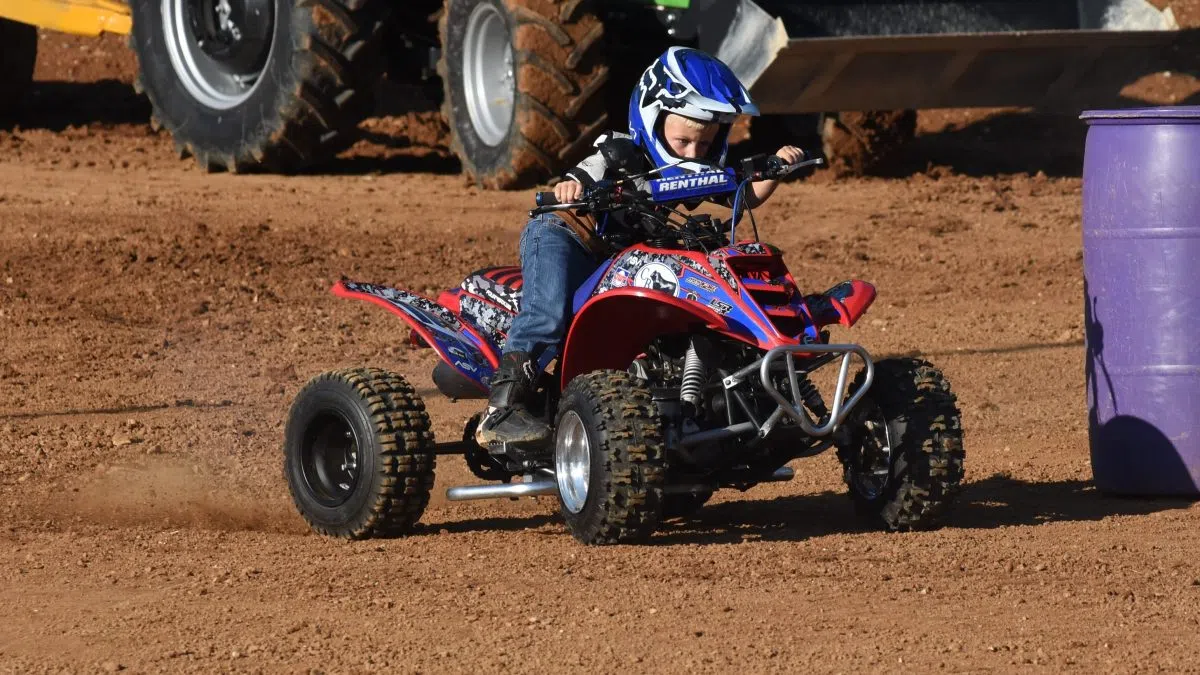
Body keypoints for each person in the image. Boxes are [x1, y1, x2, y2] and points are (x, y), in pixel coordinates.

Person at [476, 46, 804, 450]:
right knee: (549, 310)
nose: (692, 154)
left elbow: (743, 196)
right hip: (566, 234)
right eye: (683, 141)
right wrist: (572, 188)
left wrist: (776, 169)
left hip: (625, 251)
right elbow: (574, 183)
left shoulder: (691, 168)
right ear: (652, 118)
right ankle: (502, 411)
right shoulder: (617, 153)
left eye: (704, 146)